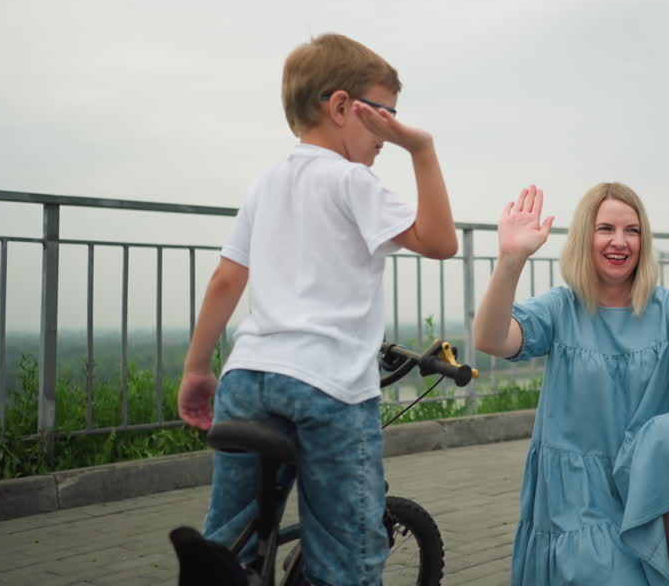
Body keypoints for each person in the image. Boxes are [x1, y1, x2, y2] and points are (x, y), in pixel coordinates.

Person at [174, 33, 458, 586]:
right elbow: (441, 240)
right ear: (342, 107)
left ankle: (222, 564)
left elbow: (226, 279)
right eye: (386, 115)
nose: (387, 132)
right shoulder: (353, 180)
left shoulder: (266, 182)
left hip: (248, 377)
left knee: (231, 536)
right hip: (327, 387)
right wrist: (419, 148)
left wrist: (196, 369)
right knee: (346, 554)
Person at [473, 181, 669, 585]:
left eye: (632, 231)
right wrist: (510, 259)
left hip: (656, 486)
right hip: (579, 497)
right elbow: (491, 340)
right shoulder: (562, 307)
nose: (620, 242)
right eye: (606, 229)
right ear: (586, 237)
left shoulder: (665, 306)